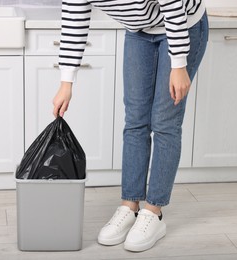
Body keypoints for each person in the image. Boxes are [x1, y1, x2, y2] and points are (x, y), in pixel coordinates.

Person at [53, 0, 209, 252]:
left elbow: (172, 5)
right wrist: (66, 81)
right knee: (135, 120)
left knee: (165, 121)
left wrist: (178, 63)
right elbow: (74, 20)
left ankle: (153, 212)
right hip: (139, 32)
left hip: (181, 24)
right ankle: (130, 205)